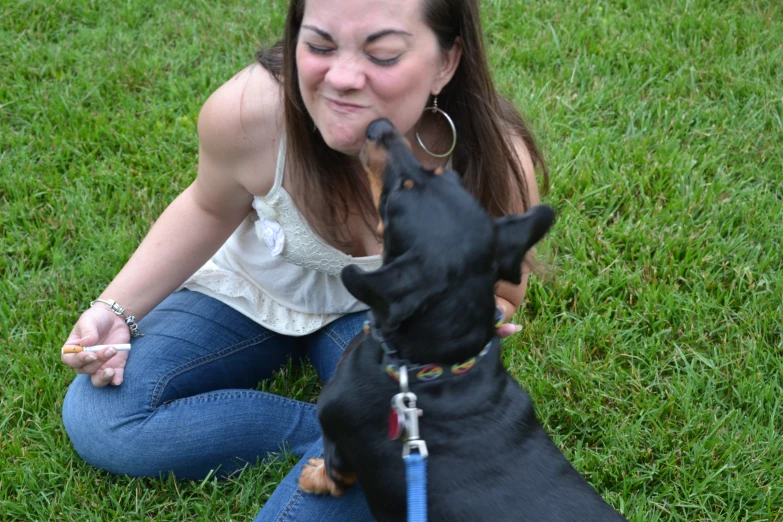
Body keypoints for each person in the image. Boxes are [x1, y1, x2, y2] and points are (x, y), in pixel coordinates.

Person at [60, 0, 549, 519]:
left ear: (448, 62)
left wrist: (468, 323)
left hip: (380, 322)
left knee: (397, 436)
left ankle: (368, 437)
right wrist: (115, 309)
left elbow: (501, 293)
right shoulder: (251, 112)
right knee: (100, 417)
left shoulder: (492, 162)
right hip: (255, 287)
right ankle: (335, 431)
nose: (340, 77)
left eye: (382, 54)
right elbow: (207, 207)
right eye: (318, 46)